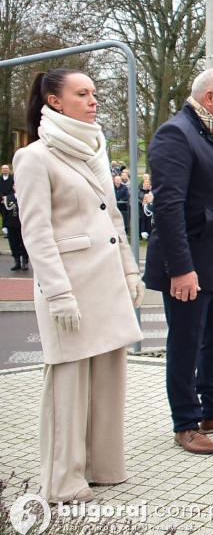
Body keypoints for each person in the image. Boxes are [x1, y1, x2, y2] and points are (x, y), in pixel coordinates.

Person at [14, 69, 145, 501]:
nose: (93, 101)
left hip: (105, 282)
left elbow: (111, 220)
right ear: (54, 101)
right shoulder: (35, 157)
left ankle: (103, 466)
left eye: (94, 93)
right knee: (67, 385)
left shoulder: (93, 150)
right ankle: (63, 480)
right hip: (70, 286)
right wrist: (57, 293)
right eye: (82, 93)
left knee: (109, 378)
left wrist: (129, 272)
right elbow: (36, 234)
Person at [144, 68, 213, 455]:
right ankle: (186, 423)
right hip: (189, 263)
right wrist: (180, 268)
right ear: (209, 98)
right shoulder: (176, 134)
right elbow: (168, 207)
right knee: (186, 342)